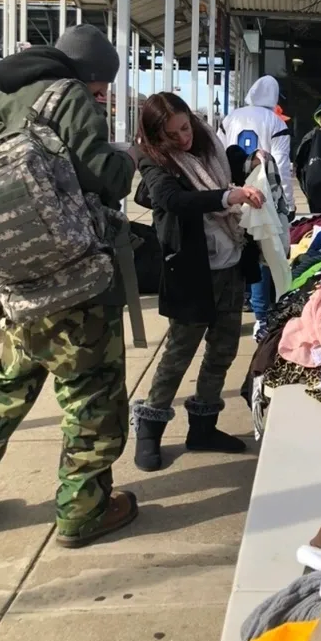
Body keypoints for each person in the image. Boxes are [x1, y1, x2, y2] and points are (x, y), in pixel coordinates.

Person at [0, 27, 137, 546]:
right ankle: (84, 510)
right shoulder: (70, 96)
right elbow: (105, 177)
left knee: (5, 385)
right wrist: (127, 158)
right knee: (91, 394)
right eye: (102, 84)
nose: (101, 94)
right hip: (71, 282)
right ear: (90, 73)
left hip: (10, 281)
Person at [133, 92, 265, 472]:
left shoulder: (208, 139)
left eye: (185, 127)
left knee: (223, 350)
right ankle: (150, 428)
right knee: (179, 352)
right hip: (191, 270)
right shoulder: (153, 160)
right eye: (172, 134)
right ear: (157, 136)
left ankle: (203, 427)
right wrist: (228, 196)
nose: (183, 138)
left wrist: (249, 160)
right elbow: (173, 200)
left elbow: (227, 163)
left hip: (231, 262)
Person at [220, 75, 294, 339]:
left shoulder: (230, 118)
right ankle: (261, 317)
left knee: (234, 250)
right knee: (263, 252)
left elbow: (219, 156)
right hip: (262, 195)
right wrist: (288, 203)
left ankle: (240, 302)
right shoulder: (275, 122)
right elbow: (281, 165)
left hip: (232, 192)